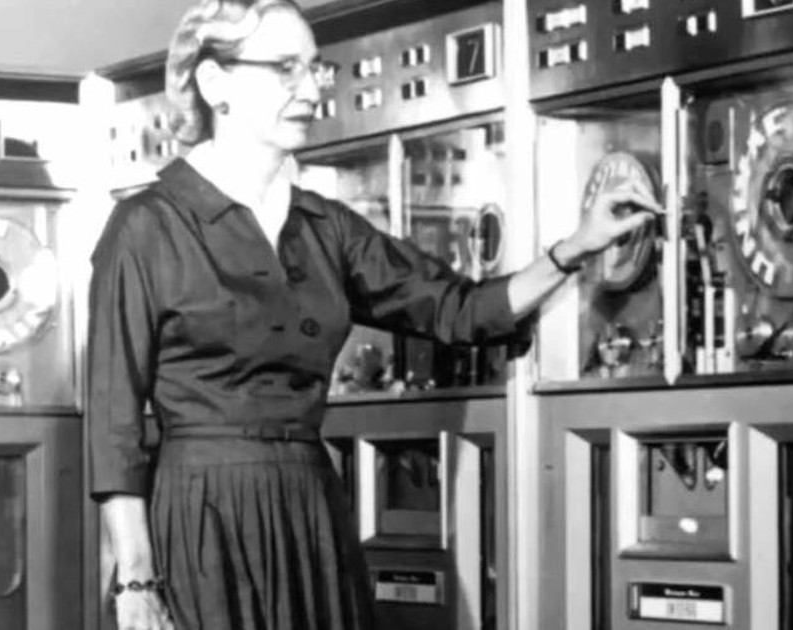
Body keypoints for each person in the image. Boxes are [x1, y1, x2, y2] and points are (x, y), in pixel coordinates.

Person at [86, 1, 661, 629]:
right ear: (214, 82)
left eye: (315, 69)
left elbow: (459, 310)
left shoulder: (326, 228)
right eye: (285, 68)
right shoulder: (147, 227)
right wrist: (136, 576)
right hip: (202, 518)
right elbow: (114, 421)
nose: (311, 90)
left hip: (310, 508)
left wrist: (576, 246)